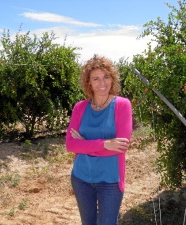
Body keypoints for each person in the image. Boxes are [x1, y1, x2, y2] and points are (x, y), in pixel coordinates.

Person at [66, 54, 133, 225]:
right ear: (88, 82)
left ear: (112, 78)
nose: (102, 83)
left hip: (110, 180)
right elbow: (71, 144)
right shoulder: (80, 107)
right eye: (96, 79)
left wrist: (85, 144)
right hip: (81, 178)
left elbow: (121, 146)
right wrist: (106, 144)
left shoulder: (122, 105)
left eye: (106, 77)